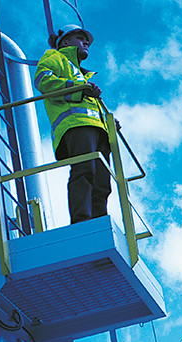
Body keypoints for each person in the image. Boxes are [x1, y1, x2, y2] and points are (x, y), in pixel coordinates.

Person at [34, 24, 112, 224]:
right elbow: (43, 81)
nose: (86, 43)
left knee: (103, 182)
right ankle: (82, 221)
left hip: (98, 130)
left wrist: (109, 122)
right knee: (85, 170)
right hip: (75, 126)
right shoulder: (55, 57)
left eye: (87, 41)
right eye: (80, 38)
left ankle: (99, 223)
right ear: (65, 42)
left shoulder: (82, 73)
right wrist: (79, 88)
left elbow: (89, 103)